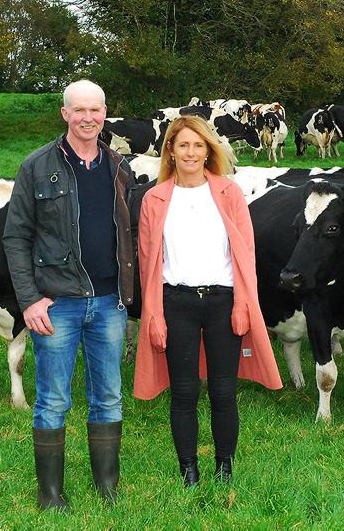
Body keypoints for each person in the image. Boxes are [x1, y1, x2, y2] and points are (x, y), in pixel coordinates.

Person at [3, 80, 135, 509]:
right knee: (53, 400)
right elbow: (15, 237)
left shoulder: (119, 167)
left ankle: (107, 486)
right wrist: (29, 299)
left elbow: (132, 233)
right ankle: (50, 495)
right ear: (65, 114)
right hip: (56, 303)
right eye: (79, 110)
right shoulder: (36, 166)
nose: (87, 118)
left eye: (94, 110)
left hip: (110, 303)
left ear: (105, 113)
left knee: (109, 396)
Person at [133, 115, 283, 487]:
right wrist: (154, 315)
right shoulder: (154, 199)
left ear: (208, 150)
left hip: (223, 301)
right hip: (176, 301)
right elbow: (149, 264)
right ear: (170, 150)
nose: (190, 152)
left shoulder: (229, 193)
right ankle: (188, 470)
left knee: (223, 390)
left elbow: (246, 254)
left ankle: (224, 468)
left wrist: (243, 304)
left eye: (198, 145)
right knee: (184, 392)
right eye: (183, 144)